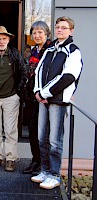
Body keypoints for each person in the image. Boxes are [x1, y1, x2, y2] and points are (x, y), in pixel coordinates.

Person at [31, 16, 83, 189]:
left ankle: (54, 175)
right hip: (43, 100)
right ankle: (45, 171)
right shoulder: (50, 49)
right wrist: (37, 91)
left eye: (64, 27)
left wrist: (46, 92)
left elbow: (68, 76)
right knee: (41, 138)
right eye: (58, 27)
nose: (60, 30)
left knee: (54, 140)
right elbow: (38, 71)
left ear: (71, 31)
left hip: (58, 102)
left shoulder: (73, 50)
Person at [0, 26, 28, 172]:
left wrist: (18, 92)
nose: (1, 41)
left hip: (11, 97)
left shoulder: (15, 54)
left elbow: (23, 73)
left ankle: (11, 159)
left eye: (4, 38)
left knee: (10, 130)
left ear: (8, 39)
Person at [22, 21, 51, 175]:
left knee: (43, 133)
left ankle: (44, 164)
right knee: (32, 130)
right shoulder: (33, 51)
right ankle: (35, 161)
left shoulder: (51, 50)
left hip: (45, 98)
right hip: (31, 97)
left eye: (40, 32)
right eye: (34, 32)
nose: (37, 35)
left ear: (46, 33)